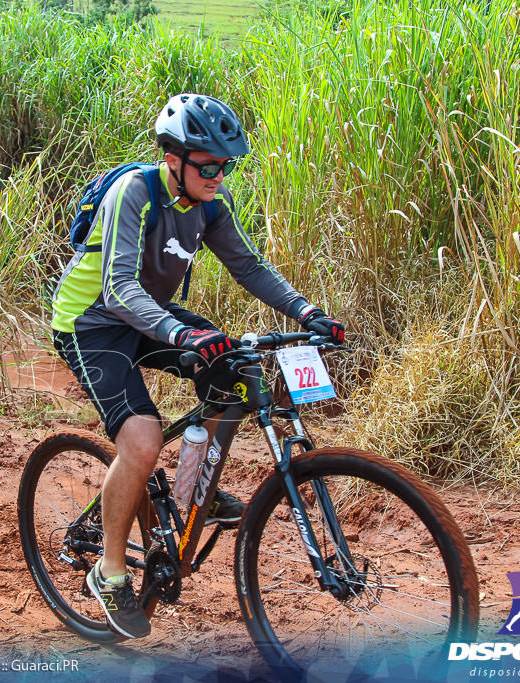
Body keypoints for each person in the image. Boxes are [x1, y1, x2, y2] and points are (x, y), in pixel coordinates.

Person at [50, 93, 345, 638]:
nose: (218, 174)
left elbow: (249, 267)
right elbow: (116, 289)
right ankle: (109, 571)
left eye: (225, 165)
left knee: (236, 372)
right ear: (174, 159)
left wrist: (308, 311)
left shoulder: (209, 204)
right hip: (91, 321)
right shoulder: (134, 193)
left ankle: (191, 494)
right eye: (208, 165)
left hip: (150, 313)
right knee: (141, 441)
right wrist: (180, 331)